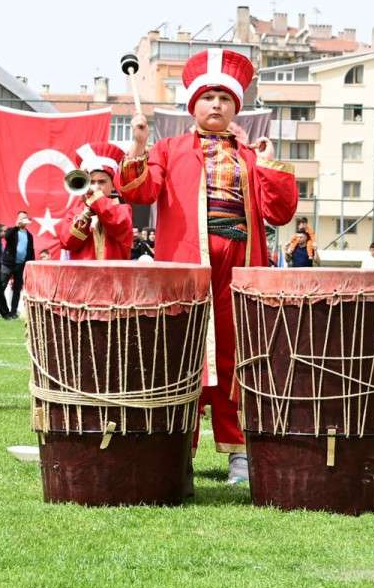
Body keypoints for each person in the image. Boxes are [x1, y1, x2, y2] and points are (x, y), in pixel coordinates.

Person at [117, 48, 298, 484]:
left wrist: (270, 163)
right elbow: (138, 194)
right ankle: (179, 447)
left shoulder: (253, 155)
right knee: (183, 353)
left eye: (224, 98)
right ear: (192, 105)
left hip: (239, 262)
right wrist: (138, 145)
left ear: (236, 106)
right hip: (186, 263)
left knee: (239, 354)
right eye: (207, 97)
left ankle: (240, 453)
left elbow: (280, 212)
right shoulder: (167, 148)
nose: (215, 105)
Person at [58, 142, 134, 261]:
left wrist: (96, 200)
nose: (96, 187)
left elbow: (119, 224)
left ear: (113, 185)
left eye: (102, 182)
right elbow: (68, 243)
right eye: (91, 182)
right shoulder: (74, 214)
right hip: (83, 278)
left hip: (114, 278)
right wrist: (84, 216)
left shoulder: (123, 210)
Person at [2, 210, 35, 319]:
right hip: (9, 264)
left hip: (21, 266)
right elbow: (6, 237)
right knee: (1, 286)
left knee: (17, 290)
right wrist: (16, 226)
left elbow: (31, 251)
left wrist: (31, 265)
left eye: (25, 218)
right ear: (17, 219)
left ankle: (13, 311)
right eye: (21, 218)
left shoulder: (29, 235)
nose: (23, 220)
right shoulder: (12, 231)